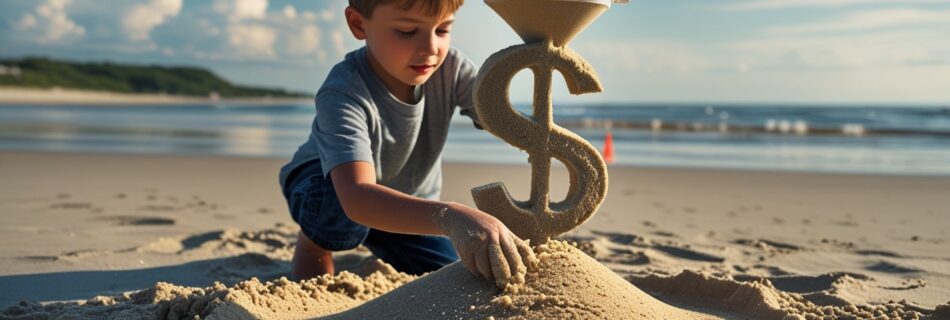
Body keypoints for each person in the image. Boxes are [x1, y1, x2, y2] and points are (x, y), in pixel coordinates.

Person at [278, 0, 535, 288]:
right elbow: (357, 196)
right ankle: (313, 244)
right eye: (407, 31)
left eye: (442, 29)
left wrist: (539, 134)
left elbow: (503, 119)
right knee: (341, 213)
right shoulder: (343, 91)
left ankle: (386, 235)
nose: (430, 48)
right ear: (359, 24)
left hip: (406, 201)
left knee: (454, 271)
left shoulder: (452, 68)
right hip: (330, 188)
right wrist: (451, 215)